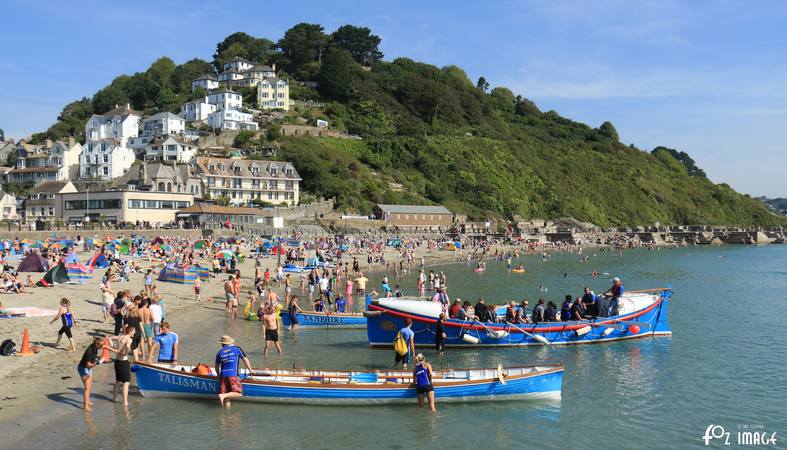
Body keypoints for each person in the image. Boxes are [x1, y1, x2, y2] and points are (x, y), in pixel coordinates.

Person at [215, 335, 253, 408]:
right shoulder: (237, 349)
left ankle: (226, 414)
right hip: (233, 374)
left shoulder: (219, 352)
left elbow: (216, 366)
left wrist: (218, 375)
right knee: (239, 393)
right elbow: (245, 360)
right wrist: (250, 370)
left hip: (223, 375)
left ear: (222, 344)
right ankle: (223, 395)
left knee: (226, 398)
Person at [106, 325, 135, 406]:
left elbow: (109, 338)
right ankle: (125, 402)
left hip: (117, 362)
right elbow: (128, 346)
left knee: (118, 381)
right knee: (126, 382)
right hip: (123, 362)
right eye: (134, 331)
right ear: (130, 331)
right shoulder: (129, 339)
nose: (134, 333)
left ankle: (114, 398)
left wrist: (113, 345)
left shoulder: (120, 336)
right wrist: (127, 350)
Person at [77, 336, 104, 411]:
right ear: (97, 344)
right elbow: (88, 365)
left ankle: (88, 401)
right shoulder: (89, 351)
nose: (102, 347)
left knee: (90, 385)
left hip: (89, 368)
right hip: (83, 368)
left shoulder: (95, 346)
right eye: (101, 345)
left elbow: (96, 340)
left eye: (103, 345)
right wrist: (97, 363)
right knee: (87, 387)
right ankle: (85, 407)